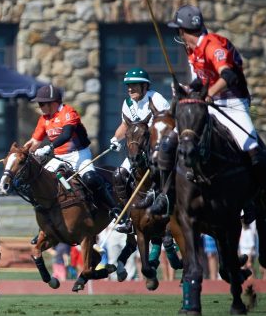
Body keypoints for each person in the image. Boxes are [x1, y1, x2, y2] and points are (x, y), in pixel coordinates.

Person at [158, 5, 266, 215]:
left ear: (183, 31)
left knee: (250, 145)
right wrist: (187, 89)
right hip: (206, 104)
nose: (177, 35)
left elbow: (229, 75)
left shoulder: (212, 45)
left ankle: (264, 193)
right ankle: (165, 196)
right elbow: (202, 80)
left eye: (178, 31)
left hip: (232, 103)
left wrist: (208, 95)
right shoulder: (192, 50)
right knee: (170, 143)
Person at [22, 84, 124, 223]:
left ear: (53, 103)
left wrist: (49, 147)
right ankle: (46, 221)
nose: (39, 106)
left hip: (79, 154)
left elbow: (66, 135)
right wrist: (22, 152)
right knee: (41, 181)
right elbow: (35, 141)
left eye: (42, 103)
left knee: (90, 178)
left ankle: (115, 209)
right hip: (59, 157)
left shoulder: (69, 112)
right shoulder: (44, 119)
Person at [108, 67, 171, 231]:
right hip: (137, 152)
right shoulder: (127, 103)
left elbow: (166, 125)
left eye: (135, 85)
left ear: (145, 86)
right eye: (128, 85)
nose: (130, 89)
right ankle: (128, 216)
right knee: (119, 175)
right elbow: (125, 125)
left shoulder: (157, 99)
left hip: (157, 148)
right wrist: (116, 138)